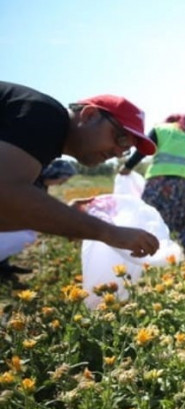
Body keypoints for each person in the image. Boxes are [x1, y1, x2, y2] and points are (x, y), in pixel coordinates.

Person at [0, 81, 161, 260]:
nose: (117, 153)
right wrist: (109, 232)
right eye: (120, 138)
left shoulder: (43, 143)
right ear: (90, 115)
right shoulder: (46, 115)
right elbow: (6, 191)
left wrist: (69, 219)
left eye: (126, 149)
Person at [119, 113, 185, 252]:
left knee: (153, 214)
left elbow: (143, 150)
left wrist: (128, 166)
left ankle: (151, 249)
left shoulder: (160, 130)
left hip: (160, 182)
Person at [0, 159, 78, 288]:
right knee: (21, 236)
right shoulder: (31, 182)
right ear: (55, 174)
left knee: (25, 236)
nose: (61, 184)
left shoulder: (41, 184)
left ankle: (3, 266)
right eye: (62, 180)